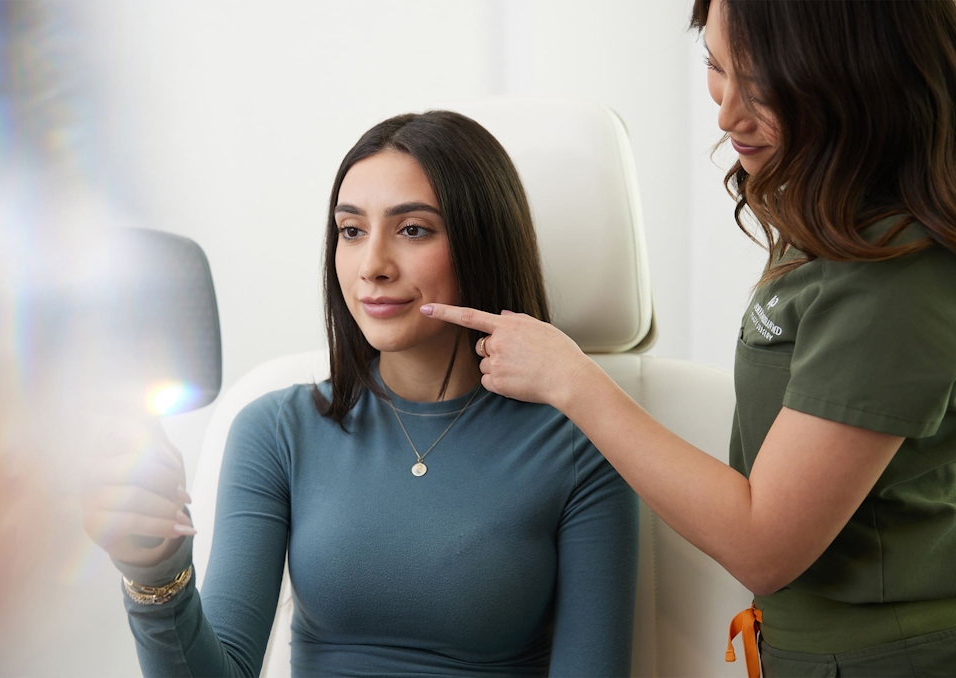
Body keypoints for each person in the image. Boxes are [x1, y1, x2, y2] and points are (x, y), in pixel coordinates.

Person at [422, 2, 956, 676]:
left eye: (763, 86)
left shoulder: (892, 274)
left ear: (862, 80)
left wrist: (573, 381)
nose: (727, 115)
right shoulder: (827, 211)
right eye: (716, 65)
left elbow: (765, 545)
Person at [82, 110, 639, 677]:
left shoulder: (584, 444)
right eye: (351, 231)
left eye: (413, 229)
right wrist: (157, 576)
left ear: (483, 243)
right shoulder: (276, 431)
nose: (372, 266)